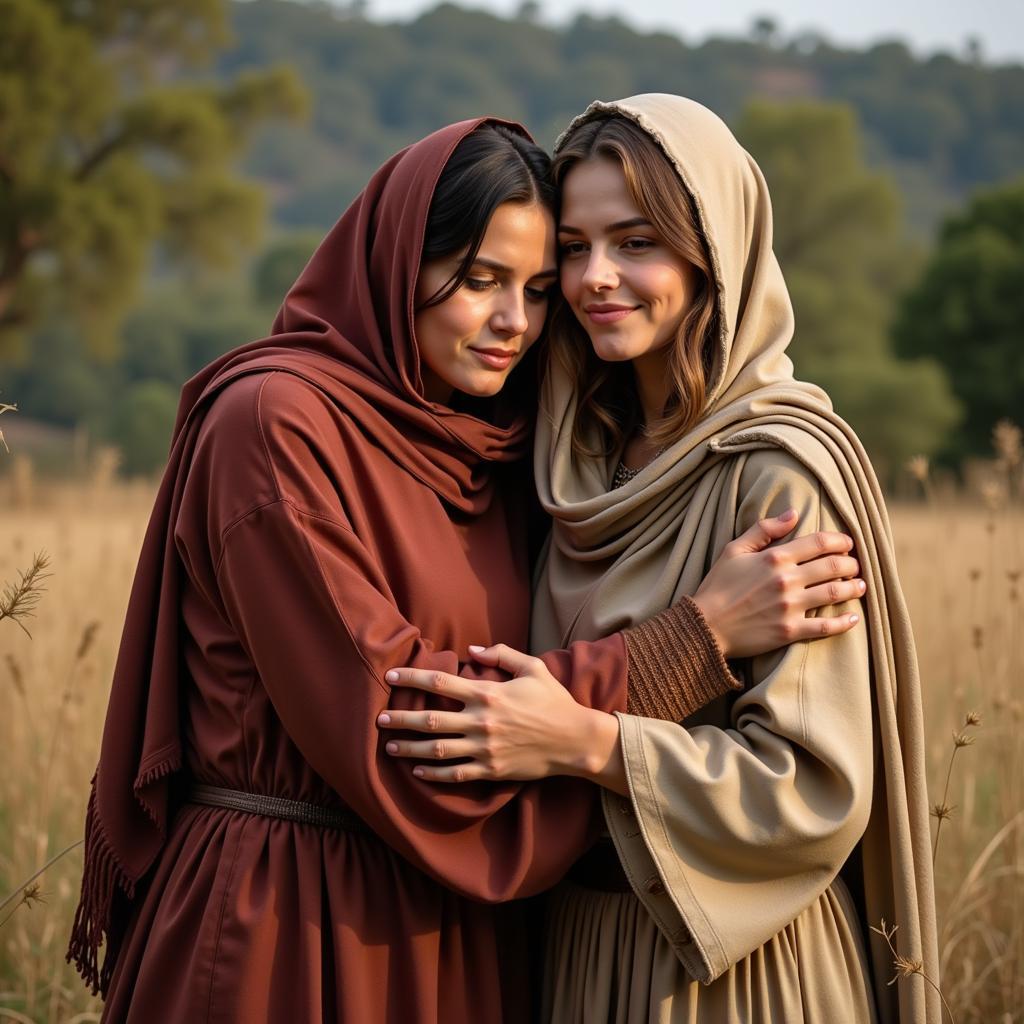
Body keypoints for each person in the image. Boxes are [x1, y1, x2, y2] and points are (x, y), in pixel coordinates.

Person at [68, 117, 863, 1023]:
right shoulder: (273, 426)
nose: (513, 323)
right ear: (396, 258)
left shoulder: (511, 448)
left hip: (466, 939)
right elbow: (400, 721)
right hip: (292, 929)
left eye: (534, 287)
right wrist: (696, 640)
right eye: (479, 279)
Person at [381, 96, 939, 1023]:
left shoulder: (778, 471)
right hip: (571, 953)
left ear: (711, 254)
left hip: (736, 967)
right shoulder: (563, 464)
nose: (597, 277)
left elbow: (810, 790)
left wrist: (582, 741)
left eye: (636, 242)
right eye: (573, 246)